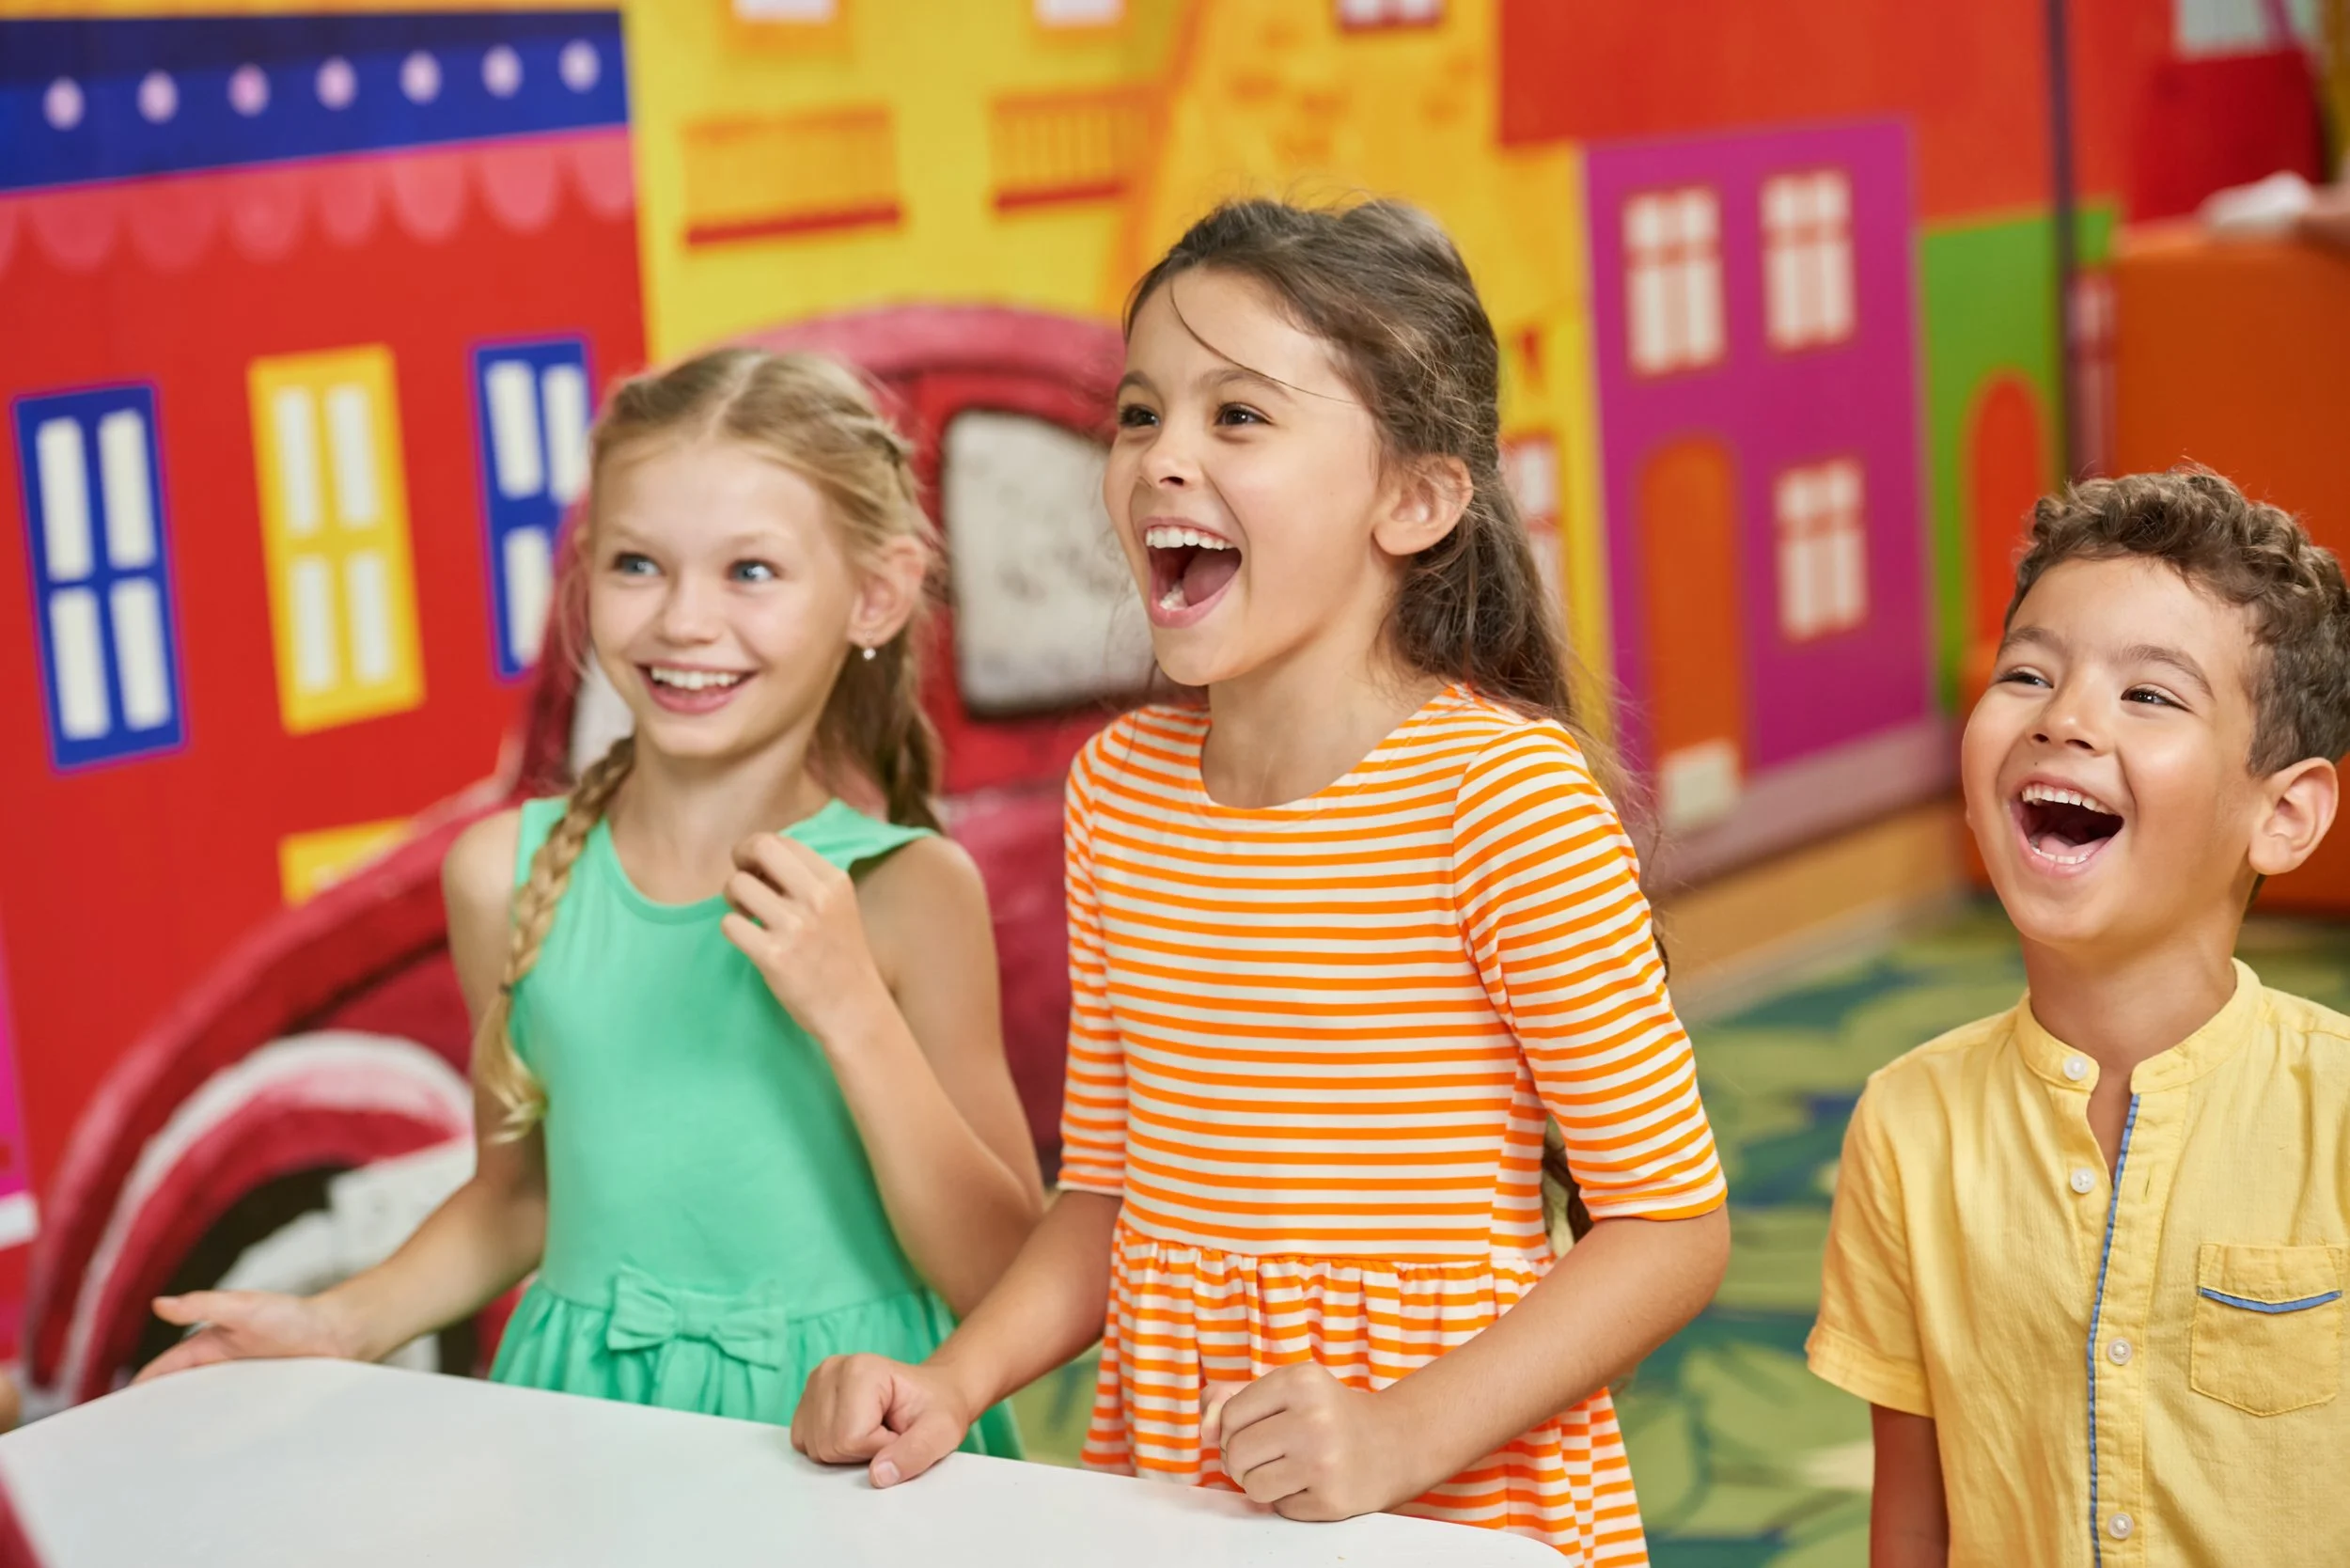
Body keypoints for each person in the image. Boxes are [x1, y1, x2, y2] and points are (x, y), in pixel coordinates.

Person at [793, 198, 1731, 1561]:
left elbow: (1668, 1229)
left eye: (1237, 417)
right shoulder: (1118, 793)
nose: (1162, 457)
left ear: (1412, 498)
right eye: (1135, 415)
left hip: (1446, 1495)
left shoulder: (1504, 799)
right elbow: (1108, 1199)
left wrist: (1399, 1432)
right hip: (1177, 1483)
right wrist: (952, 1382)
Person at [137, 349, 1042, 1450]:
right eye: (637, 565)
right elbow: (522, 1197)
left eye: (749, 572)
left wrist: (852, 1010)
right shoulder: (501, 877)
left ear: (875, 595)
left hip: (848, 1439)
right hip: (581, 1423)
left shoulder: (906, 891)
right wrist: (335, 1321)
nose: (683, 621)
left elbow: (1005, 1273)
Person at [1809, 469, 2350, 1566]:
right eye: (2026, 673)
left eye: (2149, 695)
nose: (2064, 719)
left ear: (2284, 814)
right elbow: (1912, 1517)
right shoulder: (1907, 1125)